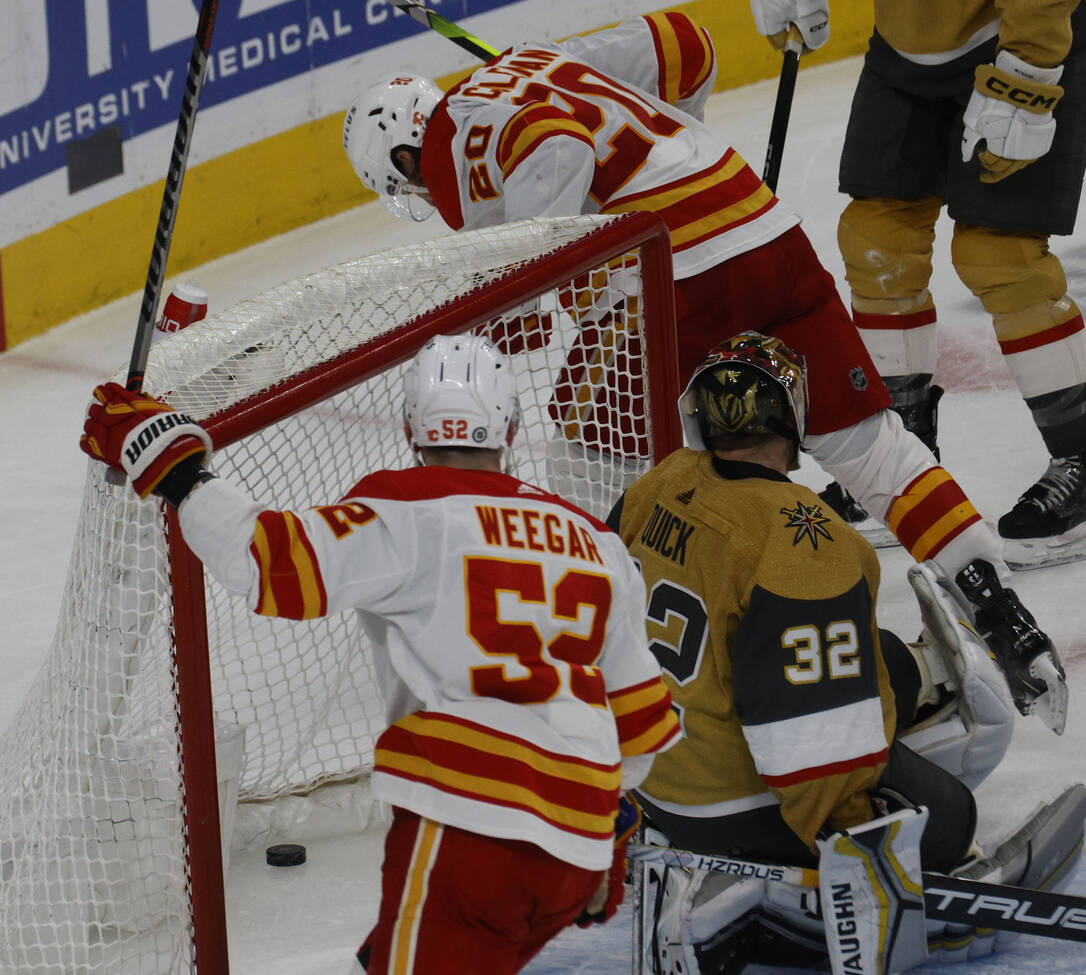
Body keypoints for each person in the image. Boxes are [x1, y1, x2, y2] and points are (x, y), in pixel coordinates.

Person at [341, 8, 1068, 735]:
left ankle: (613, 677)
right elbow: (684, 44)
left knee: (586, 464)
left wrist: (550, 272)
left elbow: (553, 152)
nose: (429, 199)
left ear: (406, 158)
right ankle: (995, 604)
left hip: (674, 278)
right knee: (870, 447)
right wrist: (676, 149)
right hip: (759, 223)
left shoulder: (446, 150)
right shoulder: (530, 62)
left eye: (413, 188)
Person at [78, 334, 682, 975]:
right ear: (508, 429)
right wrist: (606, 830)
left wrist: (174, 467)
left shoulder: (405, 507)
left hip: (467, 825)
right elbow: (646, 731)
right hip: (572, 844)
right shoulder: (592, 541)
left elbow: (267, 565)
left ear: (411, 429)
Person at [608, 331, 1086, 975]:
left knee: (876, 654)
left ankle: (918, 681)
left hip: (648, 778)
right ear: (792, 415)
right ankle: (758, 904)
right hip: (724, 807)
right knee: (950, 817)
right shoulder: (805, 538)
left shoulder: (658, 481)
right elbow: (805, 736)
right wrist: (856, 840)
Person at [752, 1, 1086, 569]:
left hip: (1017, 39)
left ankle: (1080, 456)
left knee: (1000, 256)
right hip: (904, 48)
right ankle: (902, 458)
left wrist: (1029, 69)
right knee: (877, 240)